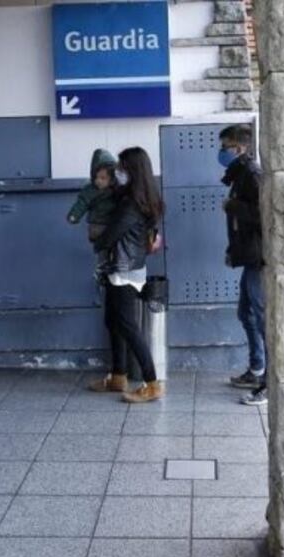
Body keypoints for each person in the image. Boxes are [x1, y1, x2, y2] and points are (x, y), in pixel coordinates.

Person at [87, 147, 165, 404]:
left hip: (124, 269)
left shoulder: (132, 203)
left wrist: (97, 242)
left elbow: (112, 234)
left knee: (128, 325)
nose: (117, 172)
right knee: (113, 320)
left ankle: (152, 383)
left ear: (131, 170)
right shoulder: (140, 196)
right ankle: (119, 376)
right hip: (122, 267)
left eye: (121, 167)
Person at [220, 124, 266, 407]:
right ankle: (257, 368)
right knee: (246, 313)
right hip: (249, 255)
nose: (221, 152)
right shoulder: (240, 174)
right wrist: (232, 249)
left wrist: (232, 206)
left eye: (225, 147)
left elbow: (262, 214)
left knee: (261, 318)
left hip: (258, 258)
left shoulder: (252, 173)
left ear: (240, 148)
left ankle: (268, 382)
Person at [66, 148, 118, 281]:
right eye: (96, 177)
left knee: (112, 245)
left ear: (111, 179)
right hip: (98, 226)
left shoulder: (116, 190)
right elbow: (81, 203)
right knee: (105, 245)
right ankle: (103, 268)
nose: (98, 181)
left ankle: (109, 266)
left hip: (111, 225)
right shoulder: (90, 190)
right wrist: (74, 215)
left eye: (103, 178)